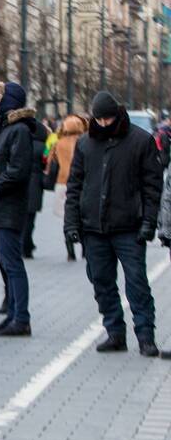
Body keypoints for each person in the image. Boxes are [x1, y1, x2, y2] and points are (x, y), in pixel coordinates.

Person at [65, 91, 162, 357]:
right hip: (94, 227)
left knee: (137, 283)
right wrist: (71, 223)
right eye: (99, 119)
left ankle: (145, 336)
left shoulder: (140, 141)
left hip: (129, 227)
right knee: (101, 281)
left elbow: (152, 186)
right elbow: (74, 186)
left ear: (117, 115)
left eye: (108, 118)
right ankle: (115, 333)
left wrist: (148, 223)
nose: (104, 124)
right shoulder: (86, 144)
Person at [0, 82, 36, 337]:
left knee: (12, 265)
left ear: (10, 100)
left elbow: (17, 172)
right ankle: (12, 315)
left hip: (9, 209)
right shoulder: (7, 129)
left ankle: (21, 318)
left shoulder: (19, 131)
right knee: (6, 263)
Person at [45, 115, 86, 262]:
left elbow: (49, 162)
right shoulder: (84, 142)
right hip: (81, 183)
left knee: (67, 218)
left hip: (62, 182)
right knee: (82, 216)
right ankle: (84, 250)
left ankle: (70, 251)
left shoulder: (58, 143)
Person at [21, 114, 50, 258]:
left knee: (21, 217)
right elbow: (46, 162)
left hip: (21, 182)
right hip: (36, 183)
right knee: (31, 218)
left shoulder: (22, 143)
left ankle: (23, 243)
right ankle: (27, 244)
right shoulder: (43, 147)